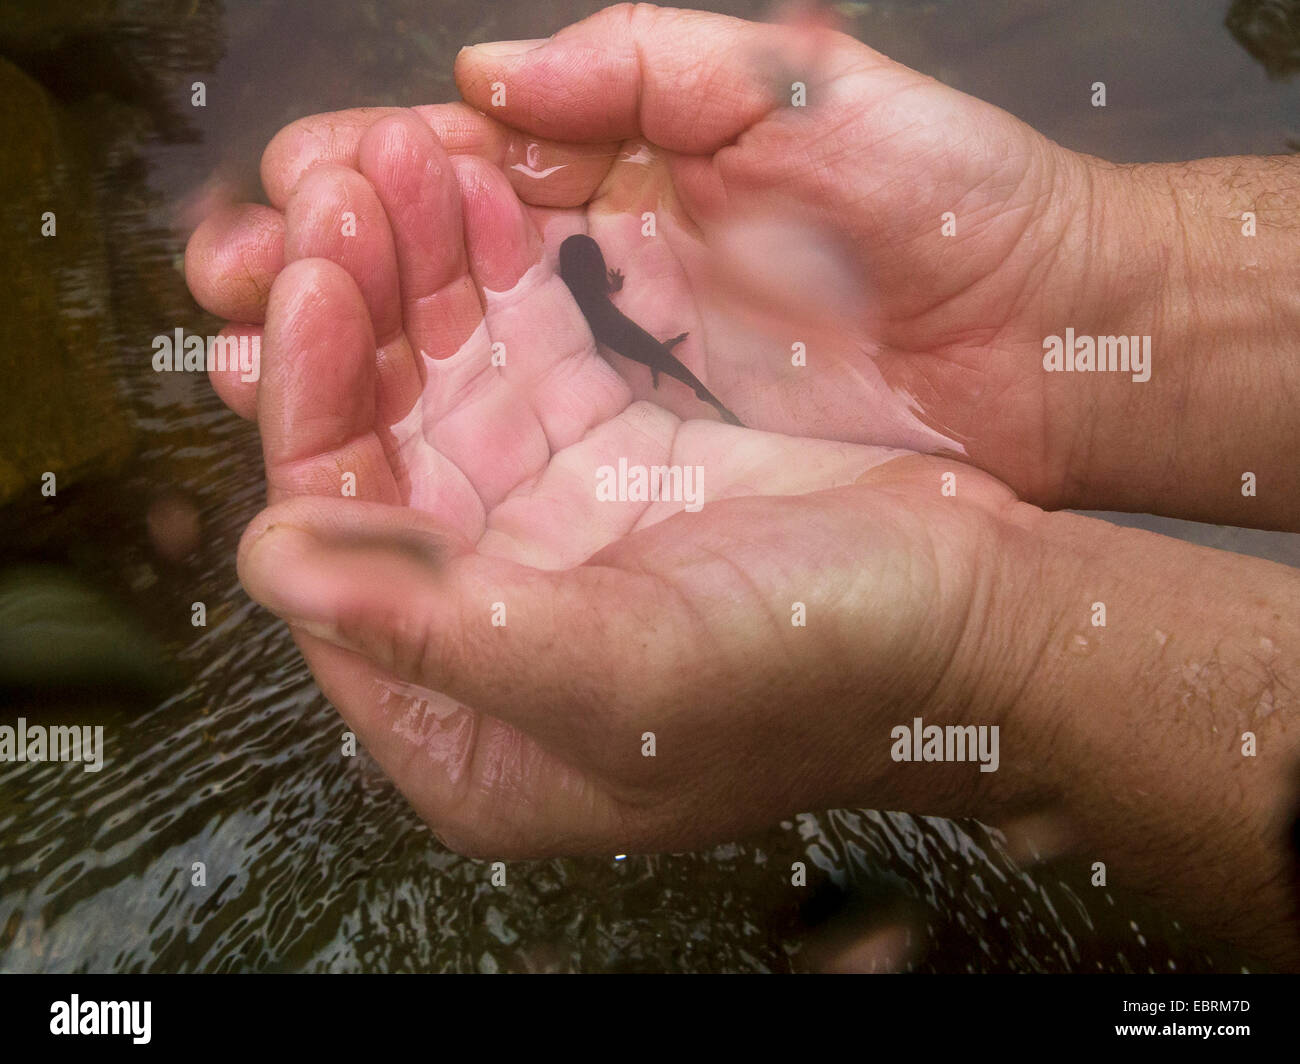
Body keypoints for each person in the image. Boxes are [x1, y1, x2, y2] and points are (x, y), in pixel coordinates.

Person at [184, 6, 1300, 968]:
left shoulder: (603, 301)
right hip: (644, 340)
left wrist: (989, 648)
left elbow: (616, 317)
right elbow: (614, 314)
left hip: (645, 345)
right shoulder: (607, 299)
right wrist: (1091, 274)